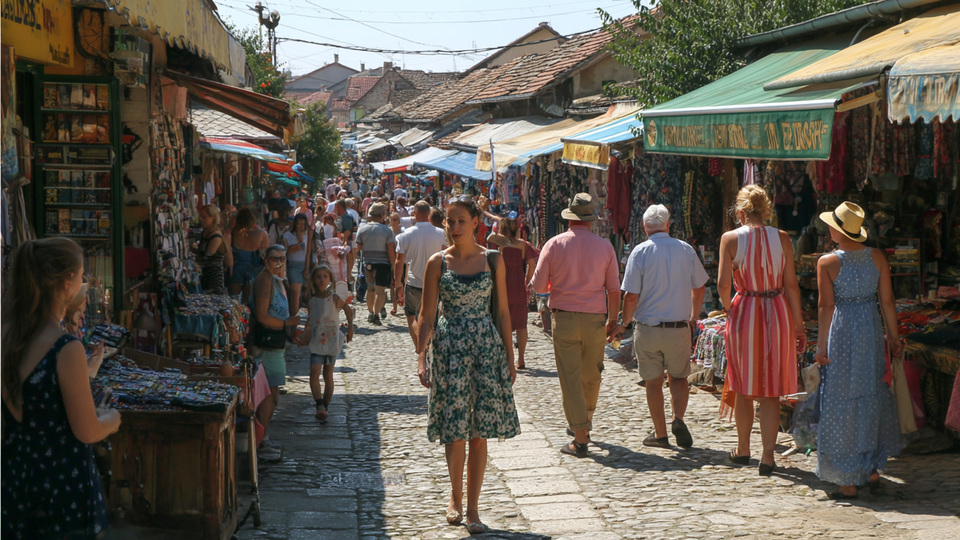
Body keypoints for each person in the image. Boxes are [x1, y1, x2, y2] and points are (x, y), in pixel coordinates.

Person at [2, 237, 122, 538]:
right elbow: (87, 430)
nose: (85, 284)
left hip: (15, 485)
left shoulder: (6, 338)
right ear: (67, 281)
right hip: (62, 492)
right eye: (82, 276)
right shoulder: (64, 348)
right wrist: (111, 419)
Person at [416, 196, 519, 534]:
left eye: (461, 221)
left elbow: (503, 311)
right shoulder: (437, 263)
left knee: (479, 432)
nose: (455, 227)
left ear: (476, 222)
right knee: (455, 429)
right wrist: (422, 357)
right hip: (449, 351)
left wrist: (510, 354)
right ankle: (456, 497)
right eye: (449, 221)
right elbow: (426, 315)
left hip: (485, 349)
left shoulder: (493, 260)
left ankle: (473, 507)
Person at [815, 201, 903, 499]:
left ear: (838, 230)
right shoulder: (877, 257)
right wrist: (894, 337)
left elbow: (826, 306)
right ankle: (872, 468)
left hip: (842, 331)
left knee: (842, 396)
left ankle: (848, 480)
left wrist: (820, 346)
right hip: (869, 327)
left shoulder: (827, 262)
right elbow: (888, 302)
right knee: (870, 392)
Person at [717, 185, 804, 476]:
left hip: (746, 310)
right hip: (777, 310)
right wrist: (799, 324)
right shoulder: (782, 238)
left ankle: (743, 449)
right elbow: (791, 284)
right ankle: (768, 456)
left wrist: (729, 309)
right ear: (765, 210)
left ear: (741, 212)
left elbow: (722, 285)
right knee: (771, 390)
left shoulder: (730, 239)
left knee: (743, 386)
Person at [610, 204, 708, 449]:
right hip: (678, 328)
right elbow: (699, 286)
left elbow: (630, 296)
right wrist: (694, 315)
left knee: (653, 382)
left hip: (649, 329)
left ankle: (661, 433)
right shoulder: (686, 250)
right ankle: (678, 418)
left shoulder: (640, 252)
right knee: (679, 378)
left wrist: (624, 323)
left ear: (645, 228)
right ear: (668, 224)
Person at [530, 193, 620, 458]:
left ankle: (580, 437)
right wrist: (613, 321)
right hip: (595, 319)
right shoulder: (605, 247)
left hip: (565, 317)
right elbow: (614, 290)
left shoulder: (554, 244)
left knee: (570, 378)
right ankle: (585, 420)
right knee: (592, 374)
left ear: (570, 217)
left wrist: (555, 284)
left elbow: (537, 286)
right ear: (591, 219)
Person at [251, 245, 301, 461]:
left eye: (282, 258)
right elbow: (262, 316)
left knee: (273, 393)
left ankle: (264, 437)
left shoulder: (278, 280)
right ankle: (262, 440)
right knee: (267, 394)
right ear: (266, 260)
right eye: (274, 258)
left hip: (276, 343)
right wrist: (286, 324)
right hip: (266, 344)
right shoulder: (264, 280)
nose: (279, 262)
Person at [299, 266, 354, 423]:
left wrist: (351, 329)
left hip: (331, 341)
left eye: (325, 276)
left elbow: (348, 310)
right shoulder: (312, 300)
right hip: (317, 340)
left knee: (327, 374)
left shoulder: (334, 298)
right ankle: (319, 404)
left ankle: (326, 405)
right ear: (314, 280)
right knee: (314, 372)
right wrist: (304, 336)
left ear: (330, 279)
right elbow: (310, 321)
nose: (321, 279)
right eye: (318, 276)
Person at [487, 214, 539, 370]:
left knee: (504, 323)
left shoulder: (500, 242)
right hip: (519, 287)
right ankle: (521, 359)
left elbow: (489, 237)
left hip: (502, 285)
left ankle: (506, 357)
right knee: (521, 325)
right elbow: (532, 264)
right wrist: (526, 282)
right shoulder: (524, 245)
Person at [395, 201, 447, 350]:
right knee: (432, 318)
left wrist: (398, 284)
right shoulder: (441, 234)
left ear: (414, 213)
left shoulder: (405, 235)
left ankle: (420, 348)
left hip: (413, 282)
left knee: (412, 316)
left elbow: (399, 261)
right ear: (428, 214)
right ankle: (429, 348)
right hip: (435, 283)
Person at [356, 203, 396, 326]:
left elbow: (358, 248)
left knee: (370, 289)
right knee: (380, 291)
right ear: (382, 215)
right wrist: (393, 264)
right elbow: (390, 249)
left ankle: (370, 312)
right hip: (382, 263)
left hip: (368, 262)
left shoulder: (362, 229)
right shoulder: (387, 230)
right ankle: (376, 314)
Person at [229, 208, 270, 303]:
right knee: (249, 302)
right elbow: (267, 252)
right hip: (254, 269)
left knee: (233, 300)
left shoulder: (234, 233)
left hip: (236, 268)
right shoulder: (261, 233)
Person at [197, 205, 230, 295]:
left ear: (212, 218)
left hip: (214, 280)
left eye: (204, 217)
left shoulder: (216, 236)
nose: (201, 219)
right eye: (200, 216)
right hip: (204, 277)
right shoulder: (205, 233)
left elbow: (206, 258)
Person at [282, 214, 311, 314]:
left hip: (305, 263)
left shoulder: (308, 234)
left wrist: (307, 268)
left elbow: (308, 252)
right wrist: (299, 242)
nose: (301, 227)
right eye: (299, 224)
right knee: (295, 295)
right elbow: (287, 252)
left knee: (309, 294)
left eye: (303, 224)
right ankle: (293, 322)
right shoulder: (288, 235)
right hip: (293, 265)